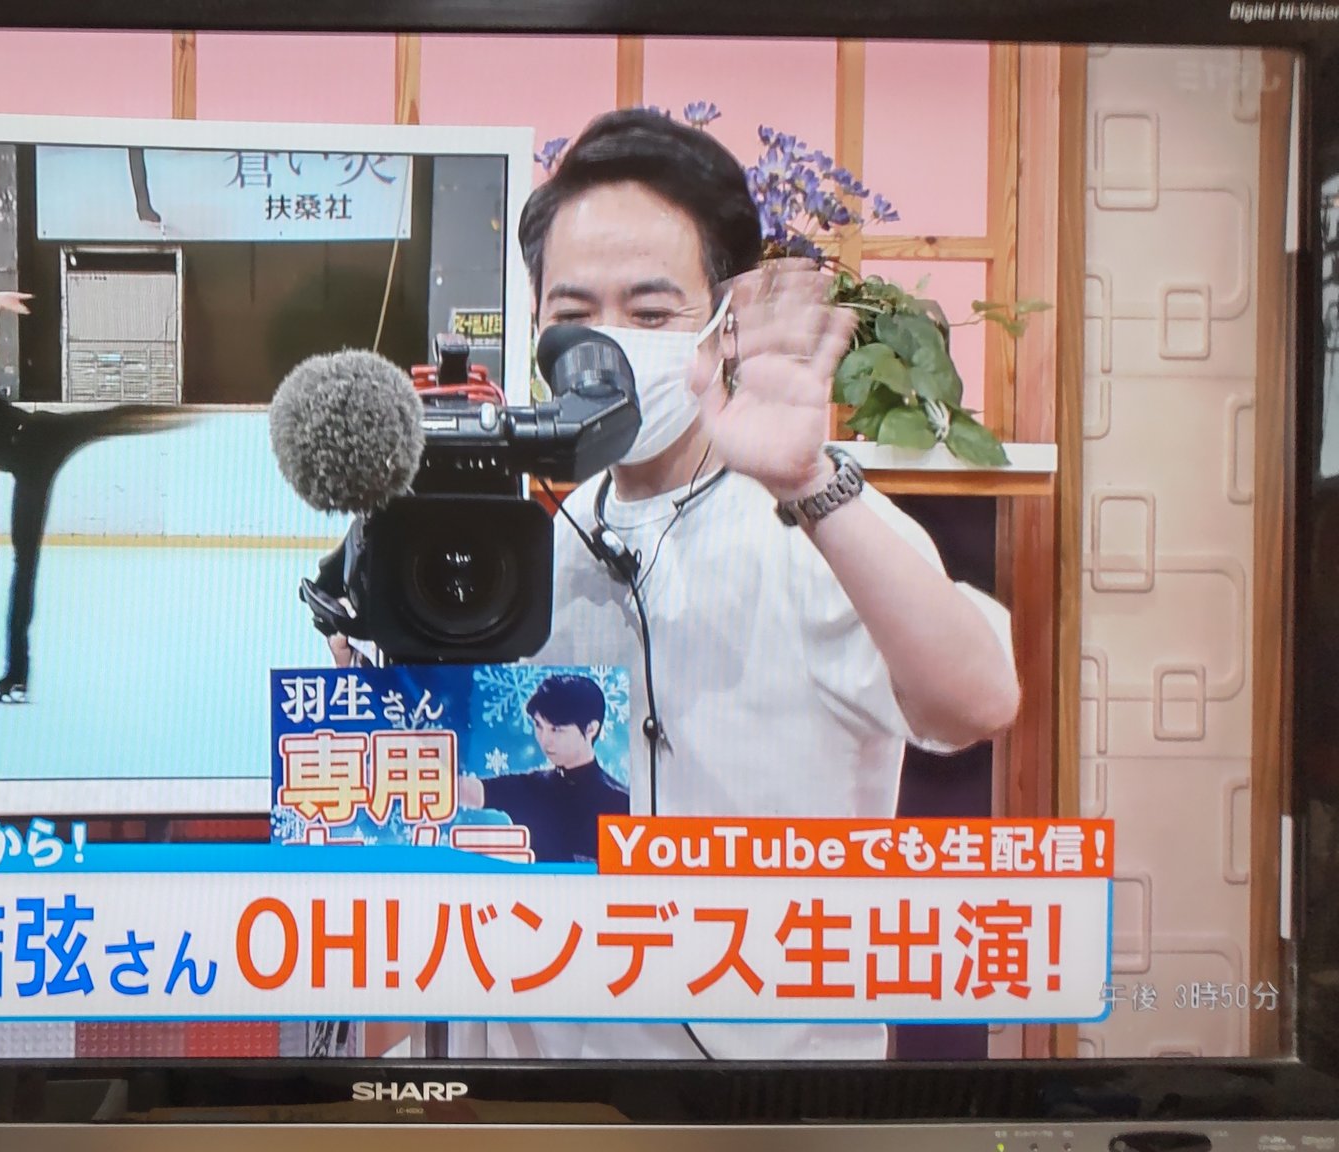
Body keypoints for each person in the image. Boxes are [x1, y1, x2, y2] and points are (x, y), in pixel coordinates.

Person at [354, 108, 1021, 1061]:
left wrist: (808, 481)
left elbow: (977, 702)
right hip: (537, 1107)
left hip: (768, 1112)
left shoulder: (814, 529)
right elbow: (423, 859)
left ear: (720, 325)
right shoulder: (518, 552)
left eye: (651, 314)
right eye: (573, 316)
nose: (609, 346)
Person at [0, 290, 189, 704]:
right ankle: (16, 674)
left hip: (38, 454)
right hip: (44, 444)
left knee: (25, 567)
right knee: (107, 423)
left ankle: (16, 675)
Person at [455, 673, 628, 864]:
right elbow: (465, 790)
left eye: (556, 729)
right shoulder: (530, 788)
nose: (545, 740)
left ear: (591, 729)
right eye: (538, 726)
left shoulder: (620, 802)